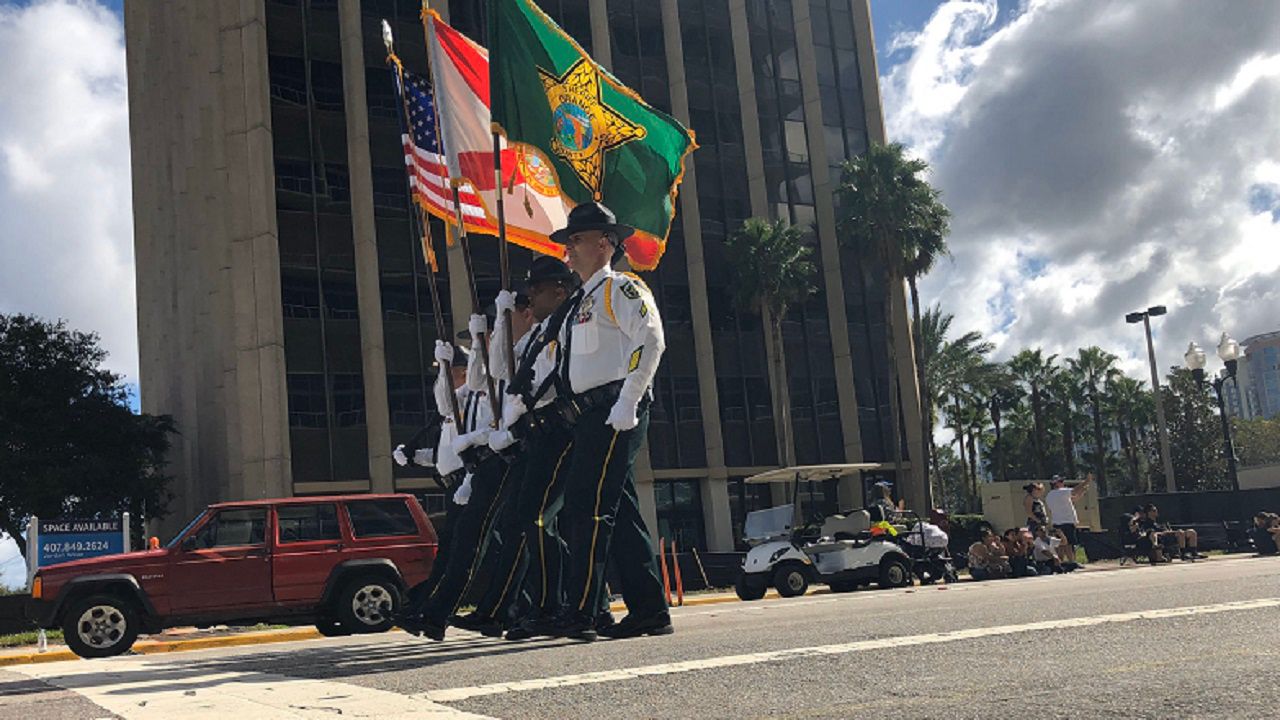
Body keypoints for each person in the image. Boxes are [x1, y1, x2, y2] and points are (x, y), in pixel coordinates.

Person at [547, 202, 671, 641]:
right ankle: (650, 610)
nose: (568, 249)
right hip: (588, 416)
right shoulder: (578, 303)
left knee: (586, 506)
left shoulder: (621, 288)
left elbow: (651, 340)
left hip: (616, 411)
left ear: (605, 243)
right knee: (620, 514)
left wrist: (630, 400)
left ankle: (584, 611)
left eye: (575, 240)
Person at [453, 258, 587, 640]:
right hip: (531, 435)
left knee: (541, 519)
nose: (529, 296)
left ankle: (560, 606)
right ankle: (532, 607)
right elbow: (492, 375)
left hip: (560, 430)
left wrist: (513, 418)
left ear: (557, 291)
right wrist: (486, 335)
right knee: (525, 521)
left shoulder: (563, 327)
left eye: (533, 292)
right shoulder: (534, 336)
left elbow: (541, 385)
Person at [400, 322, 516, 641]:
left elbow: (503, 425)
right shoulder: (473, 391)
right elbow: (445, 405)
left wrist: (471, 465)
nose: (479, 351)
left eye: (483, 343)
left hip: (495, 466)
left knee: (480, 542)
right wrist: (442, 371)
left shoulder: (502, 380)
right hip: (475, 472)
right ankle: (448, 612)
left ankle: (441, 612)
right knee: (477, 544)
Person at [1045, 473, 1092, 561]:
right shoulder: (1061, 491)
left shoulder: (1049, 495)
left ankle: (1060, 562)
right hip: (1066, 522)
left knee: (1060, 545)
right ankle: (1071, 562)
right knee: (1069, 544)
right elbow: (1074, 491)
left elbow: (1072, 500)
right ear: (1057, 483)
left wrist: (1083, 491)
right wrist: (1085, 482)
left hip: (1056, 522)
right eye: (1061, 481)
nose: (1063, 483)